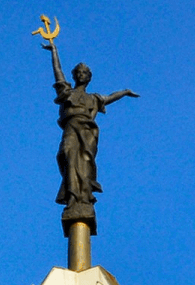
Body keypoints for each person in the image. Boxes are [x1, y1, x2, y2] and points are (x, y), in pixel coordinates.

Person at [43, 37, 138, 224]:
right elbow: (57, 73)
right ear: (74, 75)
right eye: (78, 72)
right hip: (71, 129)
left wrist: (125, 92)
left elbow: (110, 97)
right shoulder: (67, 93)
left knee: (85, 163)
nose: (81, 74)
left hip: (88, 133)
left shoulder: (94, 98)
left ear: (89, 77)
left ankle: (83, 198)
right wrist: (54, 51)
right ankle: (72, 197)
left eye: (85, 73)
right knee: (68, 158)